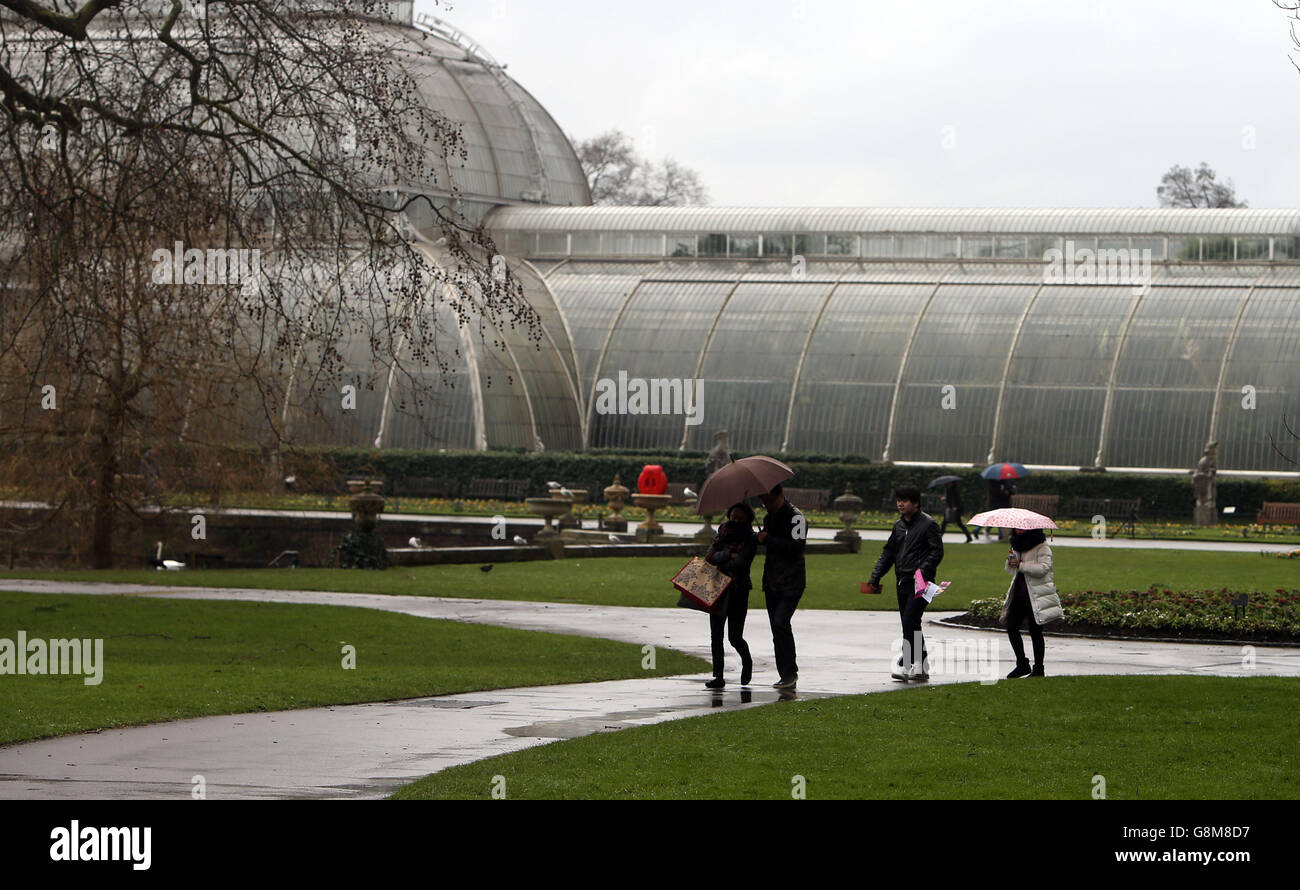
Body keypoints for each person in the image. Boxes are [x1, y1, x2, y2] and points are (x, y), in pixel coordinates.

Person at [865, 485, 944, 681]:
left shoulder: (928, 524)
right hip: (902, 581)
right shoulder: (899, 526)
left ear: (916, 503)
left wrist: (922, 572)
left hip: (921, 583)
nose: (900, 503)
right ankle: (920, 664)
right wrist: (875, 577)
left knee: (910, 620)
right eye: (899, 499)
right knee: (908, 623)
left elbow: (936, 552)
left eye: (905, 500)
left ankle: (911, 663)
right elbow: (888, 553)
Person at [702, 502, 757, 688]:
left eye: (740, 518)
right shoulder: (722, 533)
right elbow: (709, 557)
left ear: (747, 519)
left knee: (735, 637)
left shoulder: (750, 538)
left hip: (738, 591)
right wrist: (727, 555)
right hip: (717, 588)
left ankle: (747, 661)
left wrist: (721, 559)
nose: (735, 521)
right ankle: (718, 676)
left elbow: (742, 563)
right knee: (715, 636)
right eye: (733, 517)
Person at [758, 484, 806, 690]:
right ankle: (784, 673)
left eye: (770, 501)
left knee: (781, 623)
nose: (767, 505)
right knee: (776, 628)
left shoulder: (797, 517)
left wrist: (768, 539)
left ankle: (790, 672)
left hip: (791, 581)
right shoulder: (769, 519)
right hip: (772, 580)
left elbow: (796, 547)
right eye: (764, 502)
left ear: (780, 496)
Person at [1000, 527, 1063, 678]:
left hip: (1036, 594)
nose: (1019, 531)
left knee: (1035, 631)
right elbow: (1010, 570)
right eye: (1017, 528)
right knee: (1011, 627)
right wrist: (1010, 562)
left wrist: (1021, 565)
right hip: (1019, 593)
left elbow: (1043, 569)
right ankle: (1022, 664)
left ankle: (1039, 669)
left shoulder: (1042, 547)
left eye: (1022, 529)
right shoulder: (1016, 545)